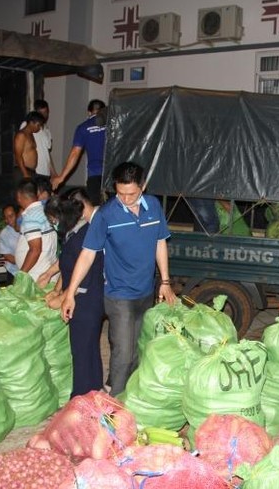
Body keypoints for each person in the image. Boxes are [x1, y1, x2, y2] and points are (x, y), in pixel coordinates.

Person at [61, 162, 176, 396]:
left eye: (131, 193)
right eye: (120, 193)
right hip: (118, 294)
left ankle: (130, 395)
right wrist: (70, 293)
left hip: (146, 291)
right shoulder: (106, 215)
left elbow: (160, 242)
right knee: (123, 352)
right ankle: (116, 405)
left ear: (143, 186)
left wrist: (165, 282)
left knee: (137, 350)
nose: (125, 198)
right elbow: (87, 254)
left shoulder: (154, 206)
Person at [41, 191, 105, 398]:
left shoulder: (86, 234)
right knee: (88, 349)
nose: (54, 223)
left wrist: (61, 299)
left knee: (82, 351)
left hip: (85, 300)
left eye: (55, 218)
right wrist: (56, 285)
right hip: (81, 299)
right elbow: (68, 265)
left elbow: (82, 279)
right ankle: (93, 393)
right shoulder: (74, 233)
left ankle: (81, 397)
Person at [52, 99, 107, 204]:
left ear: (89, 112)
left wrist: (61, 177)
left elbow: (75, 153)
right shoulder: (112, 124)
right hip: (111, 174)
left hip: (94, 174)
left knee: (96, 207)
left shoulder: (83, 128)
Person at [14, 179, 58, 282]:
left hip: (37, 277)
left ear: (19, 196)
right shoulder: (45, 210)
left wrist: (21, 276)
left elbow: (35, 250)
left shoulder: (31, 216)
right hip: (46, 273)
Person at [20, 99, 57, 181]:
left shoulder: (47, 130)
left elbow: (47, 153)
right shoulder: (27, 125)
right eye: (41, 113)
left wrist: (53, 173)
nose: (44, 115)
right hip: (33, 171)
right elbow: (20, 149)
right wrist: (25, 172)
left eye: (45, 112)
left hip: (45, 172)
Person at [13, 111, 45, 183]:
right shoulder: (21, 135)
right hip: (22, 171)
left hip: (31, 172)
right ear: (31, 123)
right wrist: (25, 174)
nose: (39, 128)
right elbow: (18, 156)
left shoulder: (31, 135)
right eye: (38, 125)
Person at [0, 204, 21, 284]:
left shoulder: (26, 228)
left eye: (11, 216)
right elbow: (7, 256)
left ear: (17, 215)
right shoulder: (4, 234)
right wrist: (25, 264)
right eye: (6, 217)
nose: (9, 220)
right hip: (14, 272)